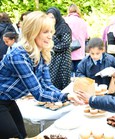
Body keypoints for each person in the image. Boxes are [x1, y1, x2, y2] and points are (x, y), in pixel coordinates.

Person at [0, 11, 82, 139]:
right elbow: (38, 93)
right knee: (14, 136)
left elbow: (47, 84)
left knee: (22, 134)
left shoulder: (41, 52)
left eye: (51, 32)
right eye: (45, 32)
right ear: (32, 32)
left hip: (8, 100)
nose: (50, 36)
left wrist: (68, 96)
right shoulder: (18, 55)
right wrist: (66, 96)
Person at [46, 7, 72, 90]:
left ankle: (63, 98)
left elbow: (66, 43)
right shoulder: (49, 28)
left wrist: (51, 48)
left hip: (63, 58)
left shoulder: (63, 27)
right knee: (51, 78)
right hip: (52, 58)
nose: (50, 19)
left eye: (52, 17)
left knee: (62, 78)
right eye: (48, 17)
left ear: (57, 17)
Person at [64, 4, 89, 75]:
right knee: (79, 75)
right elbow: (87, 36)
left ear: (69, 10)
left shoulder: (65, 21)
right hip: (80, 53)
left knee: (70, 77)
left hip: (69, 52)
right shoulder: (82, 22)